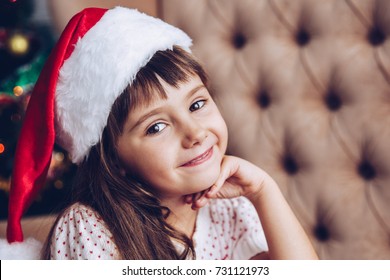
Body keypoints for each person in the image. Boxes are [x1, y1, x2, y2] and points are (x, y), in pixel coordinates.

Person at [5, 7, 318, 260]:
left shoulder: (232, 207)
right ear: (114, 160)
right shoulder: (89, 228)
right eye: (156, 127)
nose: (194, 132)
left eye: (197, 104)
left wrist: (265, 190)